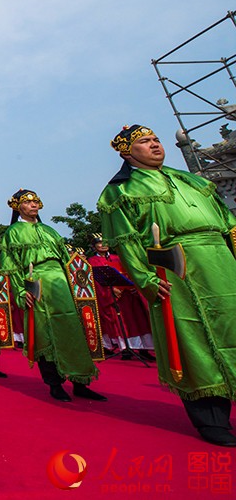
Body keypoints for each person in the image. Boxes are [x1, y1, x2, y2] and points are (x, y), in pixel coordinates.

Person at [98, 125, 236, 446]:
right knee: (194, 339)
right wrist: (145, 278)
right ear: (126, 152)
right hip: (176, 269)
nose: (155, 145)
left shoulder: (195, 181)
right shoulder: (120, 191)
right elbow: (127, 241)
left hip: (222, 261)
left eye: (156, 139)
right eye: (145, 142)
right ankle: (212, 420)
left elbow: (229, 224)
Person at [0, 189, 105, 403]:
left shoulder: (50, 230)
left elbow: (67, 259)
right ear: (18, 207)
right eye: (28, 203)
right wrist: (21, 290)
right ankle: (54, 384)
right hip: (37, 284)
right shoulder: (13, 232)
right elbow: (11, 267)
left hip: (62, 284)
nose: (33, 205)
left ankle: (81, 382)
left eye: (36, 201)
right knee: (44, 335)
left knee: (72, 331)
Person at [87, 234, 154, 358]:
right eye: (99, 243)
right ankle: (125, 349)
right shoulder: (92, 261)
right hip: (114, 297)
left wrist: (134, 287)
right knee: (120, 322)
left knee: (138, 321)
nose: (103, 245)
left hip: (129, 295)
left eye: (105, 243)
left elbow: (131, 272)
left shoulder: (117, 258)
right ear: (94, 246)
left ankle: (144, 349)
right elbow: (95, 281)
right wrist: (112, 290)